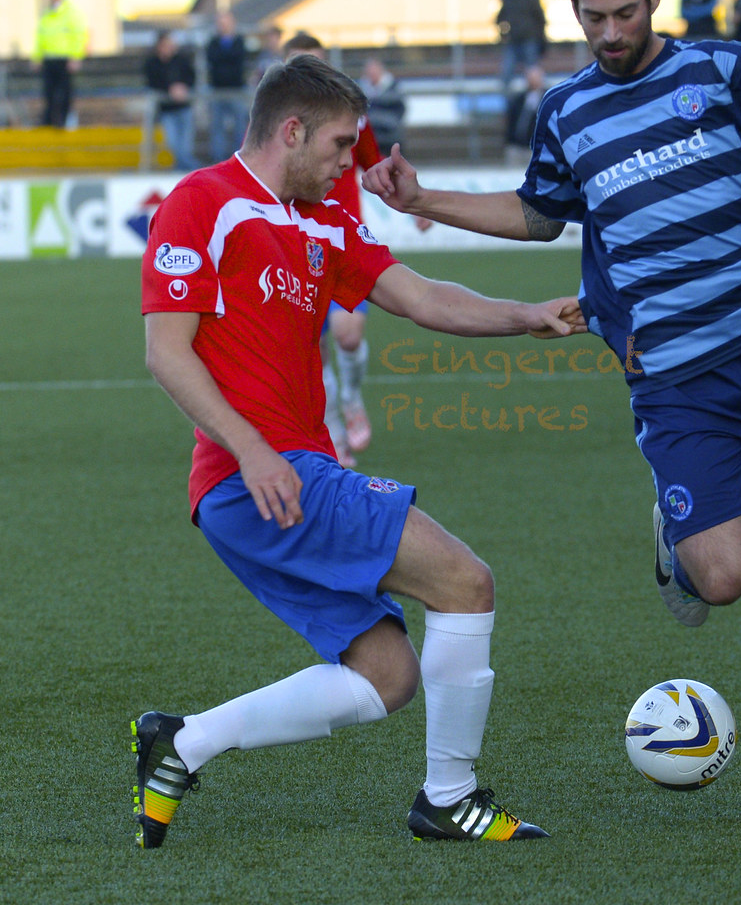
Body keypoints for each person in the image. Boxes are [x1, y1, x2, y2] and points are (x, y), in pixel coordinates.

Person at [362, 0, 741, 763]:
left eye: (625, 13)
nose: (609, 33)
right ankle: (678, 539)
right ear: (572, 8)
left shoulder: (719, 71)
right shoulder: (566, 110)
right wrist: (424, 201)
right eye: (592, 17)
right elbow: (540, 213)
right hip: (673, 378)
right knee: (722, 579)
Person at [134, 53, 585, 850]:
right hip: (255, 476)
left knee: (387, 678)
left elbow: (421, 296)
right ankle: (449, 799)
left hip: (283, 476)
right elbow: (167, 352)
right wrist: (253, 451)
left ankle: (183, 743)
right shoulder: (203, 202)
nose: (353, 163)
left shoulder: (323, 222)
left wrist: (526, 314)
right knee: (465, 581)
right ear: (292, 130)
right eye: (342, 144)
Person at [283, 31, 380, 466]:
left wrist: (412, 203)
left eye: (317, 63)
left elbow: (372, 162)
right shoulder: (276, 124)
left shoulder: (351, 118)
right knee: (313, 351)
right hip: (295, 248)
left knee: (348, 334)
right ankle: (334, 433)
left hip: (343, 241)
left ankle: (352, 395)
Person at [143, 30, 201, 172]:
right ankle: (195, 169)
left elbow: (191, 77)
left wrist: (183, 88)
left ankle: (183, 171)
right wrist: (170, 89)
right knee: (173, 144)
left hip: (184, 108)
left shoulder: (182, 60)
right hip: (167, 111)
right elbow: (152, 82)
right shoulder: (152, 63)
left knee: (185, 146)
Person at [33, 0, 88, 128]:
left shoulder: (71, 13)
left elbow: (78, 36)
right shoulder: (46, 14)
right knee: (48, 93)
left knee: (65, 93)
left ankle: (63, 121)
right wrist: (37, 58)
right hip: (49, 59)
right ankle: (48, 122)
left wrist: (76, 57)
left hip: (64, 59)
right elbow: (40, 38)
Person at [205, 10, 250, 162]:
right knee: (217, 127)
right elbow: (214, 61)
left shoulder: (239, 42)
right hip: (217, 90)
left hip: (236, 90)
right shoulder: (213, 43)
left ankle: (240, 159)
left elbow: (237, 61)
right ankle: (218, 159)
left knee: (239, 126)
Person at [496, 0, 547, 91]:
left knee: (532, 74)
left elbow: (540, 19)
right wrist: (503, 34)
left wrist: (540, 37)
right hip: (514, 40)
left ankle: (533, 98)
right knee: (507, 74)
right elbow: (500, 18)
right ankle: (508, 99)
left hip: (529, 39)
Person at [359, 57, 406, 153]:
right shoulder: (361, 90)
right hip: (369, 139)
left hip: (390, 137)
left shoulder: (394, 88)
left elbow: (399, 110)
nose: (372, 74)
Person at [503, 64, 547, 165]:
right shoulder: (519, 99)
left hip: (536, 149)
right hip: (516, 147)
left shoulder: (547, 98)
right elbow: (512, 119)